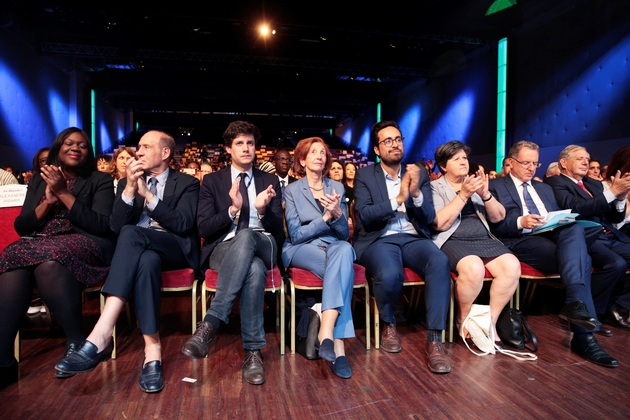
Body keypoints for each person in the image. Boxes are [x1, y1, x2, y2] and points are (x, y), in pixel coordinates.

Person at [55, 130, 200, 393]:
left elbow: (183, 224)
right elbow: (114, 227)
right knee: (146, 260)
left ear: (165, 153)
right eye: (138, 147)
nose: (138, 152)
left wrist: (149, 196)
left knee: (133, 233)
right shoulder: (126, 183)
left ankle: (102, 332)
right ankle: (152, 351)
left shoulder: (187, 183)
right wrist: (132, 189)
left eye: (145, 147)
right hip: (140, 251)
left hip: (174, 247)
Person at [0, 127, 115, 389]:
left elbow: (102, 225)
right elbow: (22, 226)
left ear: (89, 152)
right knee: (11, 257)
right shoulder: (40, 181)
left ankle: (76, 341)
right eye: (69, 143)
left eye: (82, 145)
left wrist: (64, 193)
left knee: (51, 259)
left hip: (85, 241)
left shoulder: (100, 180)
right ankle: (3, 356)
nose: (75, 148)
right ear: (58, 148)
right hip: (40, 240)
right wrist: (48, 201)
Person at [489, 140, 617, 367]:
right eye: (525, 162)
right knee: (583, 259)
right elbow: (494, 224)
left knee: (574, 228)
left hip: (551, 235)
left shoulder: (544, 188)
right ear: (510, 162)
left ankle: (577, 312)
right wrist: (521, 221)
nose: (531, 168)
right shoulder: (497, 186)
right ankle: (584, 335)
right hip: (521, 239)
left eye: (535, 164)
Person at [181, 121, 283, 386]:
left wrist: (261, 211)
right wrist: (233, 210)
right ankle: (252, 352)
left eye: (250, 143)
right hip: (223, 248)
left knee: (249, 235)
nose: (246, 148)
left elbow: (278, 232)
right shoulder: (212, 181)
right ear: (228, 149)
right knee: (254, 269)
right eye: (239, 143)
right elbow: (203, 227)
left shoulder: (269, 180)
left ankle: (211, 322)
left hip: (265, 244)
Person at [353, 121, 452, 374]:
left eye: (398, 139)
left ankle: (435, 339)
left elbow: (429, 217)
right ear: (377, 149)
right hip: (380, 239)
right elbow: (365, 216)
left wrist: (416, 192)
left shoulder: (419, 173)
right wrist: (398, 199)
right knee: (389, 272)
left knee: (440, 261)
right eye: (388, 141)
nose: (395, 144)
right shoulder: (365, 175)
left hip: (413, 238)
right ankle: (389, 322)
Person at [431, 141, 520, 341]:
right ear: (444, 166)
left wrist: (485, 195)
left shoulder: (475, 183)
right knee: (474, 267)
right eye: (456, 159)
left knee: (512, 266)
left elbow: (498, 217)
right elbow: (440, 224)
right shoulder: (434, 187)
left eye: (464, 157)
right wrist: (463, 195)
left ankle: (490, 322)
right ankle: (464, 320)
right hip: (452, 239)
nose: (463, 162)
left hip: (482, 237)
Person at [282, 137, 355, 379]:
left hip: (333, 246)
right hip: (301, 247)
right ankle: (339, 347)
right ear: (302, 160)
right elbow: (295, 235)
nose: (319, 156)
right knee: (343, 271)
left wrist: (337, 215)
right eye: (313, 152)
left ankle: (325, 332)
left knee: (344, 250)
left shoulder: (337, 187)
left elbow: (343, 234)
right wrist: (325, 218)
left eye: (323, 152)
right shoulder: (292, 190)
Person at [545, 145, 630, 332]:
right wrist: (612, 193)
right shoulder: (555, 183)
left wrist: (621, 197)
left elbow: (614, 218)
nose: (586, 162)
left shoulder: (594, 184)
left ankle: (614, 304)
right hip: (584, 237)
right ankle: (593, 313)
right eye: (580, 158)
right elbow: (575, 209)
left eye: (587, 158)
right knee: (616, 264)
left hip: (609, 234)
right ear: (563, 162)